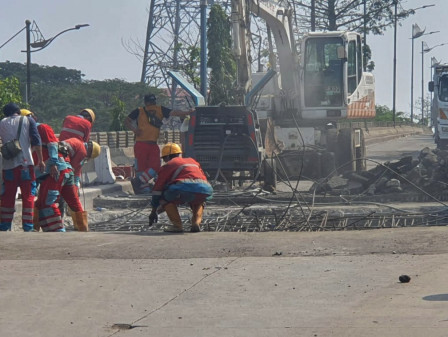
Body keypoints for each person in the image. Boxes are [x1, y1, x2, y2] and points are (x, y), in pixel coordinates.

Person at [125, 94, 193, 195]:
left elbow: (127, 121)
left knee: (149, 168)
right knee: (147, 168)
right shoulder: (153, 110)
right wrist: (188, 112)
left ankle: (138, 182)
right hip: (144, 144)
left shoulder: (142, 110)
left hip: (146, 144)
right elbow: (174, 112)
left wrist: (134, 130)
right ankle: (143, 188)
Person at [148, 143, 213, 233]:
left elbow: (157, 190)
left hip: (182, 188)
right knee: (198, 200)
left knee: (164, 198)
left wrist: (153, 211)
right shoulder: (193, 161)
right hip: (205, 188)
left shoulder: (168, 165)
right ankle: (196, 223)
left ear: (167, 157)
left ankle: (177, 226)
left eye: (164, 159)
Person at [0, 103, 45, 231]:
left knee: (8, 196)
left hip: (8, 166)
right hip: (25, 164)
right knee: (28, 196)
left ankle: (4, 226)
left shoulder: (2, 122)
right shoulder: (27, 120)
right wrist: (41, 161)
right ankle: (28, 226)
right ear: (18, 111)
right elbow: (36, 141)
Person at [54, 137, 101, 231]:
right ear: (90, 152)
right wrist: (74, 189)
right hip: (62, 170)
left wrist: (76, 184)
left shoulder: (78, 143)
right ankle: (80, 227)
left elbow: (77, 172)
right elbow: (73, 168)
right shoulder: (82, 152)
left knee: (54, 198)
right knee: (68, 201)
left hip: (58, 165)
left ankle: (57, 224)